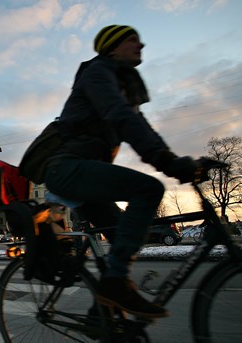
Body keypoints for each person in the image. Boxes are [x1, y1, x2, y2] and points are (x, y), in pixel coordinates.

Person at [43, 25, 202, 318]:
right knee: (149, 188)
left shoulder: (119, 83)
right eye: (132, 40)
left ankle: (101, 315)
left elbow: (142, 127)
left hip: (83, 171)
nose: (141, 45)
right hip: (66, 168)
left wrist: (175, 160)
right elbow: (121, 117)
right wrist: (167, 163)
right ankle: (115, 286)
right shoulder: (97, 74)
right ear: (112, 48)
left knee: (124, 235)